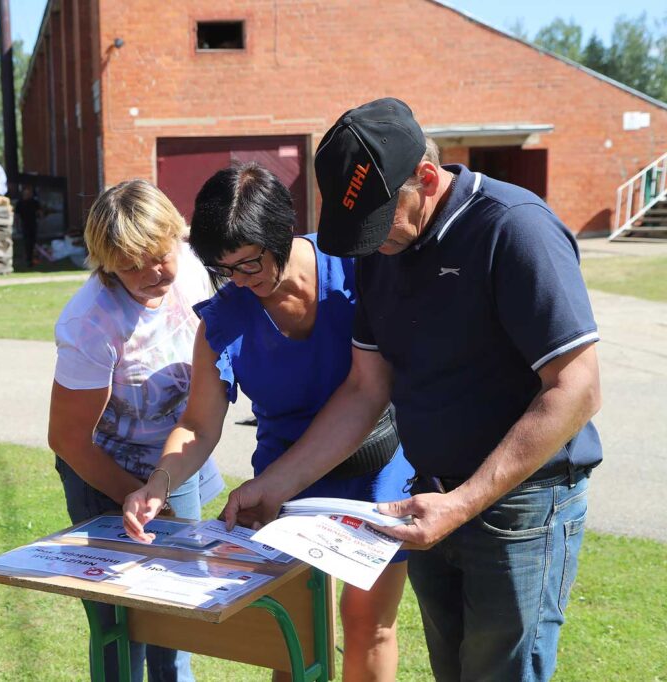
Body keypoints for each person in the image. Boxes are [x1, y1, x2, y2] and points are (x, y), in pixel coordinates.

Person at [222, 98, 602, 682]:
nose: (373, 244)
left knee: (502, 672)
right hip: (430, 499)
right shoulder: (381, 248)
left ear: (426, 178)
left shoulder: (513, 228)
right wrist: (274, 486)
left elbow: (576, 387)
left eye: (380, 223)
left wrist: (464, 501)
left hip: (518, 506)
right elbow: (364, 390)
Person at [122, 163, 415, 681]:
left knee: (369, 623)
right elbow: (197, 425)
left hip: (377, 466)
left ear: (282, 232)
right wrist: (159, 482)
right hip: (281, 486)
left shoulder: (357, 268)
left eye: (250, 263)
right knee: (295, 636)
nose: (239, 280)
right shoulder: (225, 315)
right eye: (223, 268)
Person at [48, 179, 224, 682]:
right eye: (129, 265)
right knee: (120, 634)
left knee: (174, 620)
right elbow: (67, 438)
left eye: (159, 255)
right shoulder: (89, 323)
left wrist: (164, 487)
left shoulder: (191, 270)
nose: (151, 273)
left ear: (177, 236)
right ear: (105, 264)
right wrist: (135, 494)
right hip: (103, 477)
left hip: (175, 465)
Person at [15, 184, 42, 267]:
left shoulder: (34, 202)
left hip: (33, 223)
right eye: (26, 193)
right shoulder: (20, 203)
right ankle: (28, 259)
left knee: (33, 241)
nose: (28, 195)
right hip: (25, 224)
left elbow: (39, 212)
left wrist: (40, 216)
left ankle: (33, 258)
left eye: (29, 193)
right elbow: (17, 215)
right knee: (27, 242)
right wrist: (17, 225)